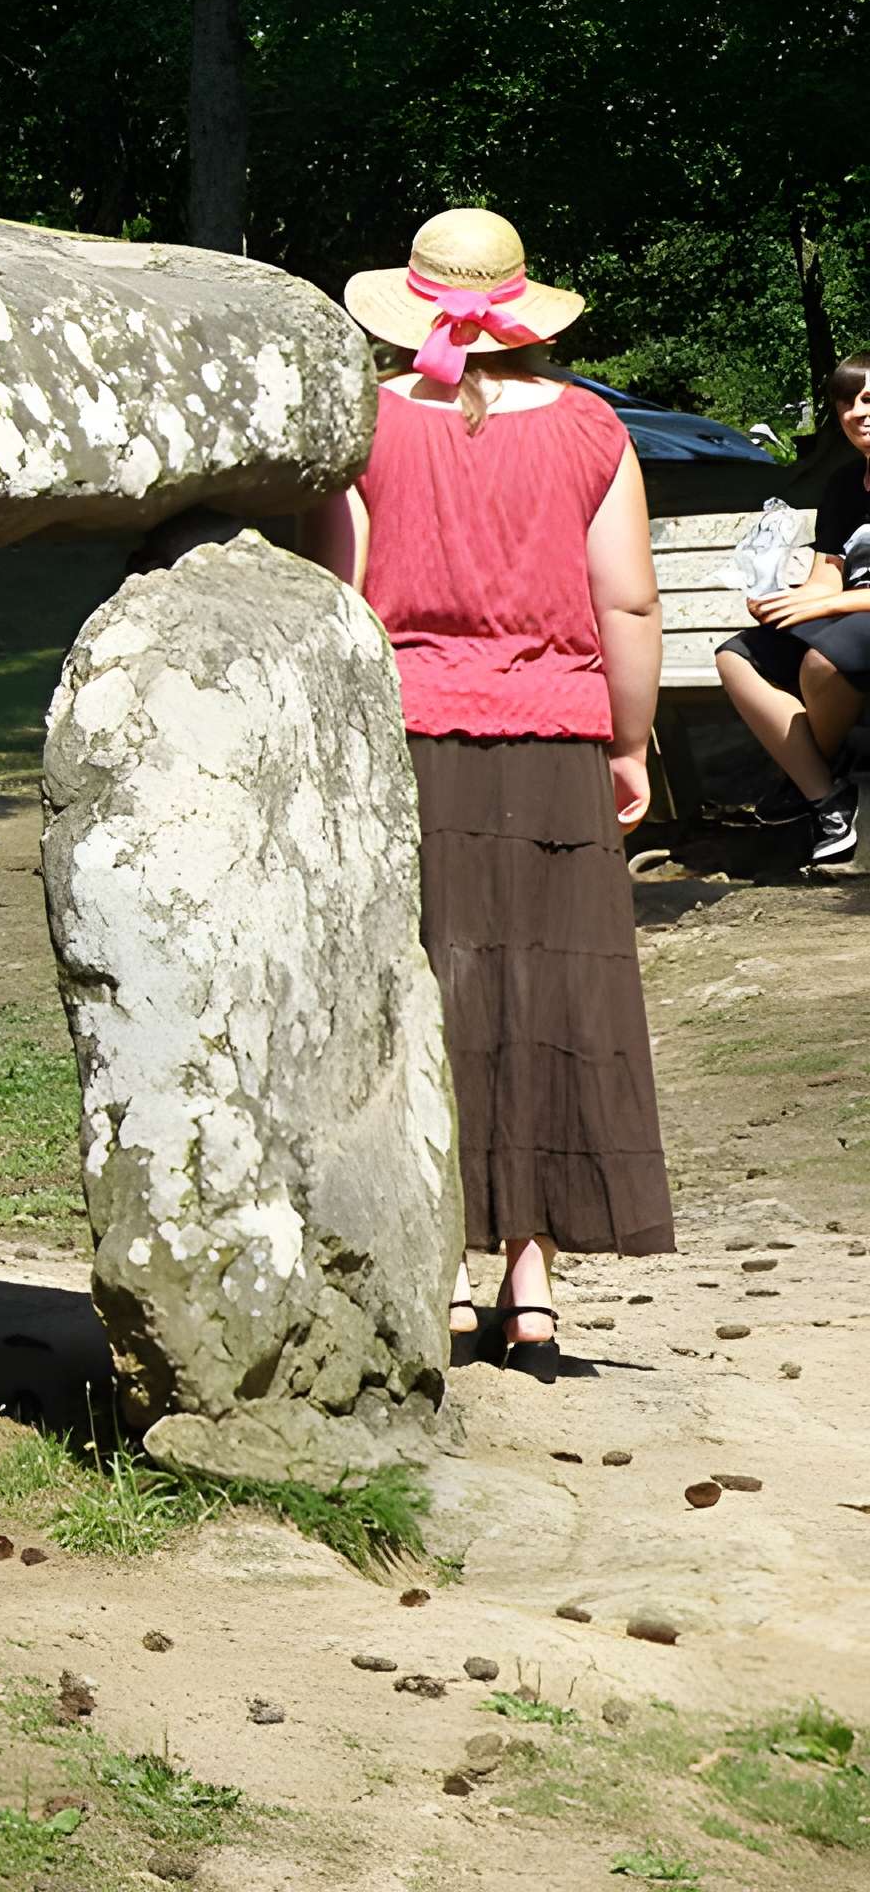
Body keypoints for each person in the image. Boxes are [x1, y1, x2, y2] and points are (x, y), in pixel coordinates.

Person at [302, 208, 675, 1365]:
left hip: (407, 740)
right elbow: (623, 602)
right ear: (526, 308)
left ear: (413, 304)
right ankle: (534, 1283)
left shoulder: (364, 420)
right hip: (556, 740)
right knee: (555, 1004)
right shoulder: (587, 427)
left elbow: (339, 590)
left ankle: (446, 1272)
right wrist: (628, 741)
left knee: (427, 989)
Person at [714, 351, 870, 867]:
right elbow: (829, 571)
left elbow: (836, 595)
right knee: (739, 655)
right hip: (850, 614)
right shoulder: (845, 486)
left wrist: (829, 604)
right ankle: (828, 798)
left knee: (824, 659)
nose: (857, 412)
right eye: (847, 402)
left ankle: (805, 775)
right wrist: (789, 601)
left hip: (857, 619)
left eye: (869, 398)